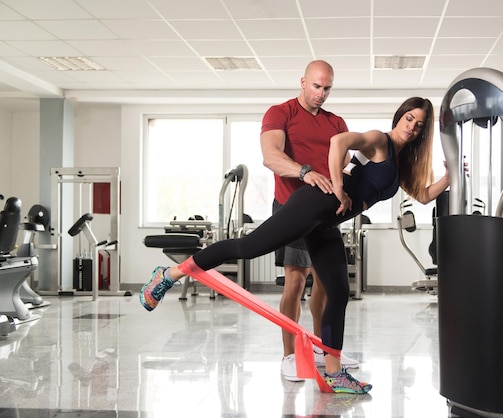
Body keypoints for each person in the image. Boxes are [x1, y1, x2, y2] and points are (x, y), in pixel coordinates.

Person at [139, 96, 450, 394]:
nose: (412, 126)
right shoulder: (378, 140)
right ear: (399, 116)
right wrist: (339, 189)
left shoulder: (400, 163)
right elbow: (338, 142)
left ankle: (334, 372)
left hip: (326, 223)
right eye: (409, 118)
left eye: (420, 124)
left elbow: (422, 196)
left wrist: (450, 176)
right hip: (313, 205)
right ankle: (169, 275)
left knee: (339, 292)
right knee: (245, 248)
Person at [259, 59, 358, 382]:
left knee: (327, 284)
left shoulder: (337, 123)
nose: (321, 94)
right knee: (296, 280)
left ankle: (320, 346)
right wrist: (305, 172)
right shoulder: (281, 113)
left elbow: (344, 165)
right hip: (291, 207)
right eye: (316, 86)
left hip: (324, 213)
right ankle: (289, 355)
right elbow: (271, 156)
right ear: (303, 82)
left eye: (327, 88)